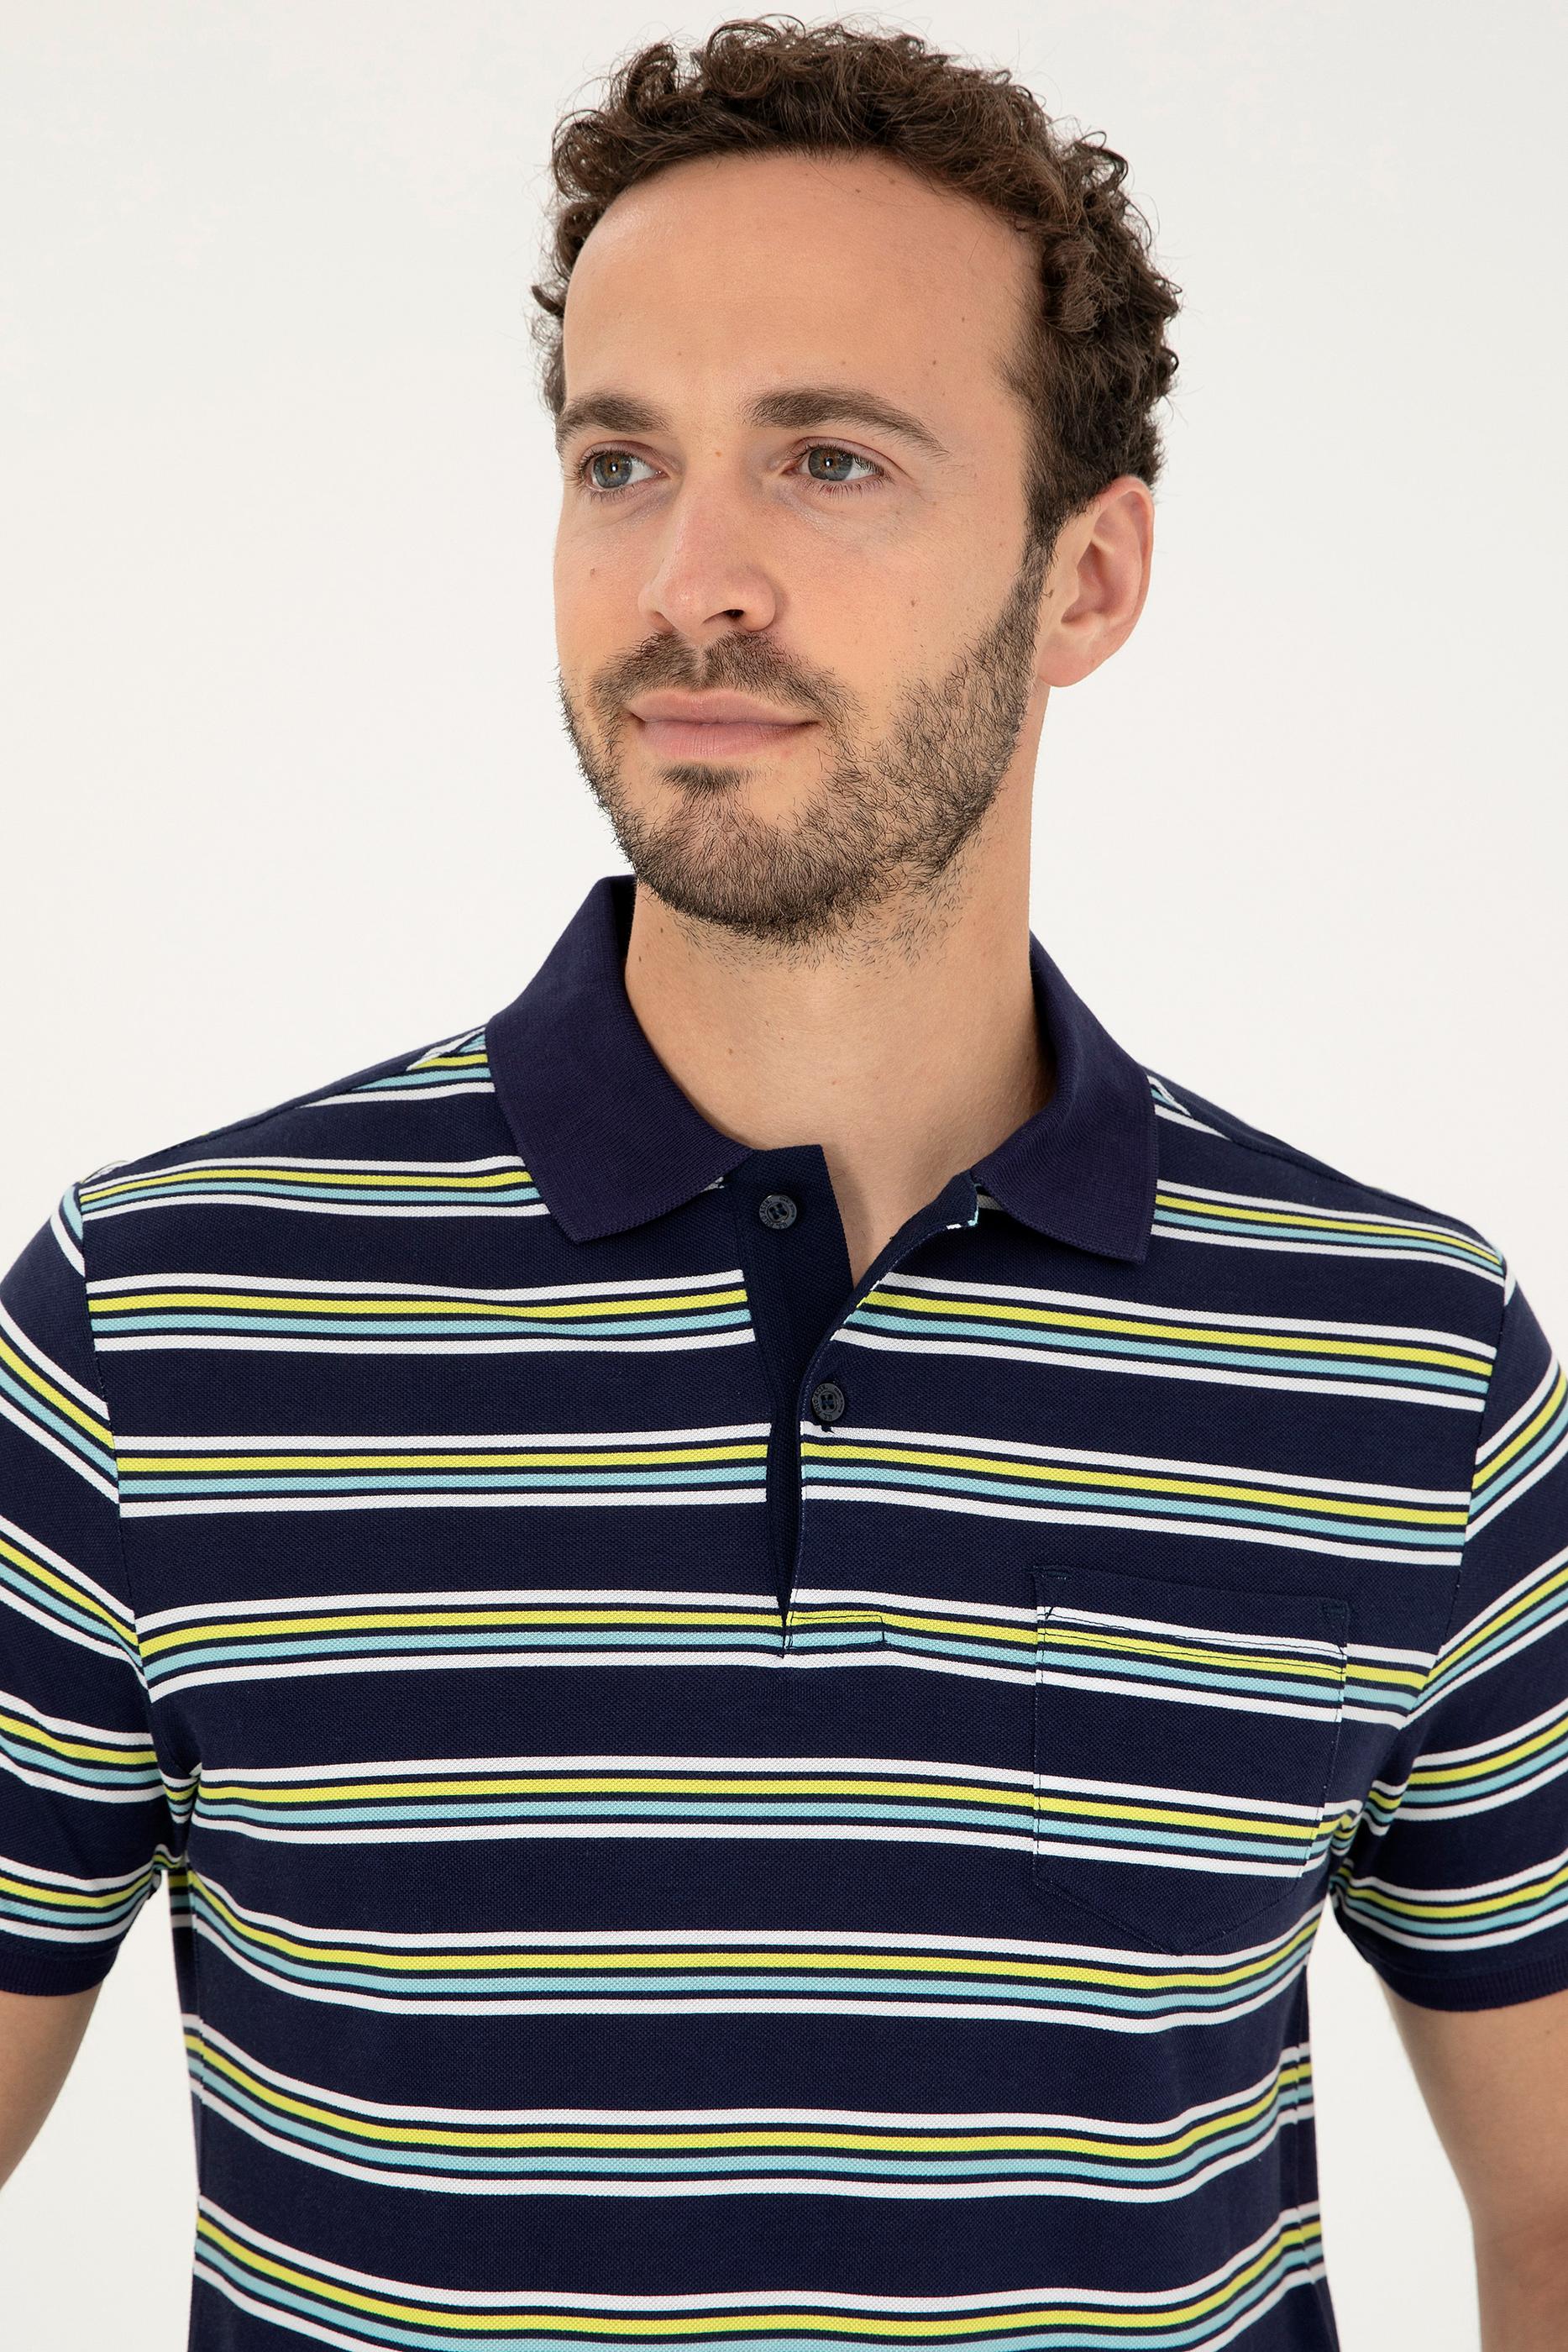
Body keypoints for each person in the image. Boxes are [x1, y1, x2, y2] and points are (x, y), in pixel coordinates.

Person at [3, 15, 1565, 2346]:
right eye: (620, 460)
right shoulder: (160, 1317)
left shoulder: (1402, 1362)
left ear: (1086, 575)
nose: (692, 577)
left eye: (829, 460)